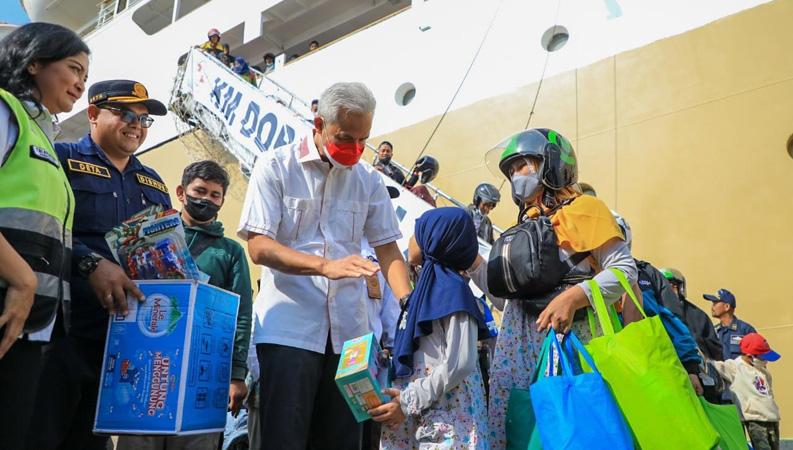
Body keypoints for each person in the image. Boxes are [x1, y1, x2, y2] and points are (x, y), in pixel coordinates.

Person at [237, 81, 412, 450]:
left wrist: (410, 305)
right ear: (319, 124)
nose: (355, 150)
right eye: (345, 138)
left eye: (363, 140)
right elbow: (259, 246)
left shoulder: (368, 180)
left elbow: (388, 251)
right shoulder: (275, 167)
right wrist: (323, 266)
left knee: (343, 440)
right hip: (290, 330)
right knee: (283, 439)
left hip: (351, 338)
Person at [26, 80, 170, 450]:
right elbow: (40, 229)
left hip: (124, 341)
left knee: (91, 443)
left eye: (143, 118)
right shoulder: (60, 159)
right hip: (62, 331)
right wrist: (89, 263)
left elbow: (166, 253)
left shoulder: (152, 181)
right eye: (125, 114)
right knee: (37, 434)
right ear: (93, 114)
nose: (136, 124)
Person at [483, 128, 637, 448]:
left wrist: (574, 297)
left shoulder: (586, 209)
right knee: (521, 430)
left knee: (576, 430)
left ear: (553, 163)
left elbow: (624, 270)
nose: (516, 176)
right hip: (518, 344)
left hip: (570, 338)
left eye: (524, 165)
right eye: (511, 170)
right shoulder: (524, 227)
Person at [116, 161, 253, 449]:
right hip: (147, 365)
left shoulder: (231, 251)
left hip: (202, 371)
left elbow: (241, 315)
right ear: (181, 192)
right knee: (139, 441)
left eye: (215, 195)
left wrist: (236, 375)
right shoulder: (148, 239)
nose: (206, 199)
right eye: (200, 191)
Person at [0, 22, 89, 450]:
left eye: (85, 77)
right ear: (34, 63)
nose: (80, 84)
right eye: (74, 69)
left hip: (32, 325)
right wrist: (22, 278)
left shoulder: (45, 138)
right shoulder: (5, 110)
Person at [372, 208, 490, 449]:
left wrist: (408, 401)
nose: (411, 241)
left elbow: (461, 362)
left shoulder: (454, 292)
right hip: (415, 416)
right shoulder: (421, 293)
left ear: (436, 239)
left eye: (418, 233)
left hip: (446, 423)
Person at [712, 333, 781, 450]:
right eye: (762, 357)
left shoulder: (764, 372)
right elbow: (713, 364)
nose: (765, 361)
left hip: (772, 416)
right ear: (750, 356)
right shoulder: (735, 367)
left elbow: (769, 394)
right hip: (754, 418)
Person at [660, 267, 723, 361]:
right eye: (663, 287)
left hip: (696, 368)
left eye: (671, 286)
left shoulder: (698, 316)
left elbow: (715, 352)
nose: (667, 292)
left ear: (680, 289)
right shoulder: (650, 312)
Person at [705, 288, 756, 361]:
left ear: (727, 307)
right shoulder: (713, 332)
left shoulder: (745, 330)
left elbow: (758, 358)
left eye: (715, 303)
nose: (712, 307)